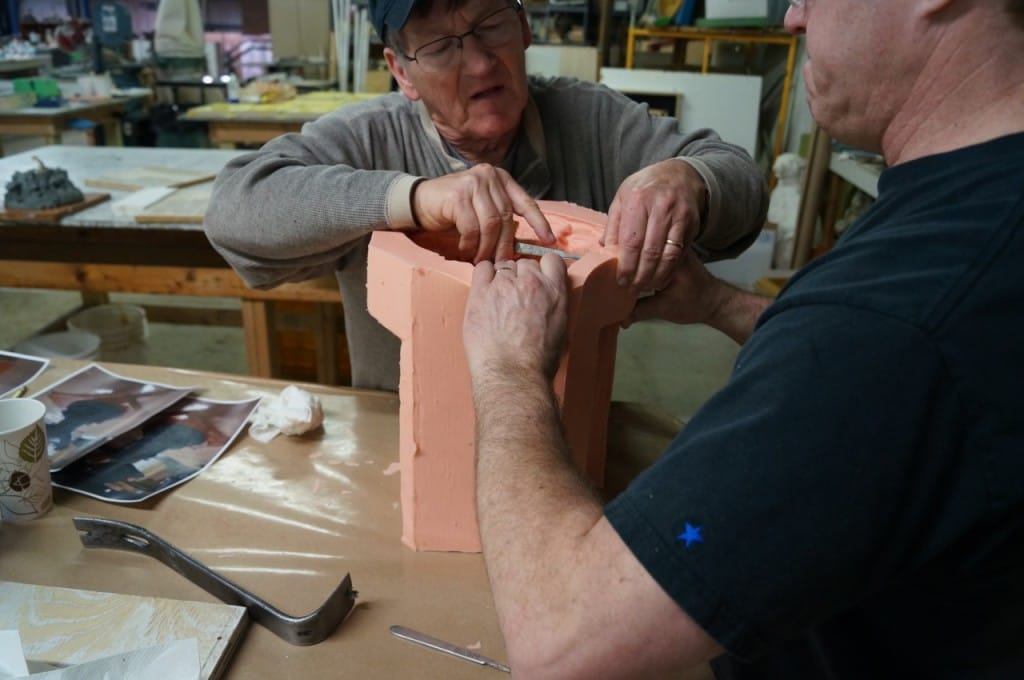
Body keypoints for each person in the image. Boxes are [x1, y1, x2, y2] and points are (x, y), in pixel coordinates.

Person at [461, 0, 1024, 677]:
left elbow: (562, 637)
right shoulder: (977, 217)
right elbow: (922, 387)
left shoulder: (894, 321)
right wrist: (720, 305)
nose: (793, 17)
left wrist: (508, 367)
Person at [203, 0, 768, 391]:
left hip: (568, 427)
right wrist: (415, 199)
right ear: (402, 71)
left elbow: (740, 181)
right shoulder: (367, 138)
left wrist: (687, 180)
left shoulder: (591, 120)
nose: (478, 64)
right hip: (400, 435)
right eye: (443, 47)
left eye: (491, 23)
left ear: (523, 27)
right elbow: (234, 209)